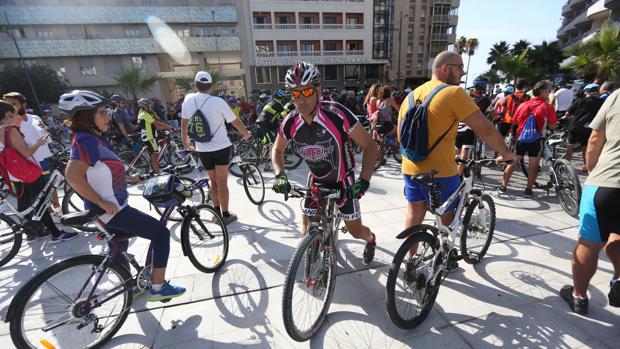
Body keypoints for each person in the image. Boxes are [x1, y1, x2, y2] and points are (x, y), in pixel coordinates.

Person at [60, 90, 185, 301]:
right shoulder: (85, 140)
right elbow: (72, 176)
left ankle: (130, 288)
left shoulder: (94, 139)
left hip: (111, 208)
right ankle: (158, 287)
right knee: (161, 234)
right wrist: (101, 201)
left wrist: (132, 177)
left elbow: (102, 170)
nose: (108, 116)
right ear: (87, 116)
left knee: (119, 246)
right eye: (103, 112)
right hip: (112, 210)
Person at [397, 51, 515, 262]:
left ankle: (409, 260)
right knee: (448, 215)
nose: (462, 72)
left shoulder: (410, 96)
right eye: (459, 67)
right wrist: (506, 153)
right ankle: (445, 256)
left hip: (411, 167)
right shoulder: (453, 93)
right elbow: (485, 128)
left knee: (414, 213)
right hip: (441, 171)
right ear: (445, 69)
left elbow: (401, 137)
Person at [271, 61, 379, 264]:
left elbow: (371, 147)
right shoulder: (290, 122)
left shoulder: (336, 114)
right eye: (295, 93)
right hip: (316, 181)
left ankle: (371, 239)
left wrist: (363, 182)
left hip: (344, 182)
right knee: (307, 230)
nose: (301, 100)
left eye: (307, 91)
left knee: (356, 231)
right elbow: (277, 150)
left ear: (318, 89)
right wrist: (280, 175)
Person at [561, 89, 620, 316]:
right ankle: (618, 278)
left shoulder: (616, 96)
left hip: (608, 181)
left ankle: (578, 296)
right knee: (617, 234)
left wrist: (593, 170)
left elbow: (595, 138)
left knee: (589, 243)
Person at [0, 99, 77, 244]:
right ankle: (55, 233)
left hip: (12, 173)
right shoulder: (10, 130)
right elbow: (26, 152)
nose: (17, 116)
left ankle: (32, 232)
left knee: (25, 202)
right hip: (26, 172)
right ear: (8, 113)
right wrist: (39, 143)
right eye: (14, 113)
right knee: (41, 201)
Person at [181, 71, 252, 225]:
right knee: (222, 182)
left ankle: (216, 214)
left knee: (213, 182)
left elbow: (184, 123)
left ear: (196, 85)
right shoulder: (218, 102)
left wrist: (186, 143)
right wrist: (246, 134)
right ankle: (225, 215)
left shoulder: (188, 100)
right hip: (221, 148)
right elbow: (235, 121)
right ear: (211, 87)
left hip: (202, 148)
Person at [499, 80, 557, 197]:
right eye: (548, 91)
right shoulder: (547, 107)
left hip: (521, 137)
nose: (549, 93)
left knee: (512, 162)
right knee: (533, 166)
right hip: (537, 139)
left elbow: (514, 121)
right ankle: (528, 190)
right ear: (543, 92)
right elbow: (552, 126)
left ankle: (503, 187)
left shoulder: (523, 105)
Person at [564, 83, 605, 171]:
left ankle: (566, 165)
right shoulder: (601, 102)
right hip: (589, 127)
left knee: (570, 145)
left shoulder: (579, 100)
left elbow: (567, 113)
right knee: (585, 147)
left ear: (586, 91)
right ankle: (586, 165)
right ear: (597, 92)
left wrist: (569, 118)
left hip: (575, 126)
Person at [456, 78, 491, 175]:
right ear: (484, 88)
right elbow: (491, 113)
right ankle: (459, 175)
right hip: (472, 127)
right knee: (464, 151)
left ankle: (452, 170)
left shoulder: (464, 95)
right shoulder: (486, 100)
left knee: (456, 149)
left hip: (458, 125)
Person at [137, 98, 173, 174]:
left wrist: (166, 126)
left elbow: (157, 121)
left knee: (155, 151)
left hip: (151, 136)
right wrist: (168, 127)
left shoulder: (146, 113)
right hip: (149, 137)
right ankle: (157, 173)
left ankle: (154, 168)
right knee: (154, 156)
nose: (150, 107)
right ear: (144, 106)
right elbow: (156, 123)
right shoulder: (144, 114)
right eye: (148, 106)